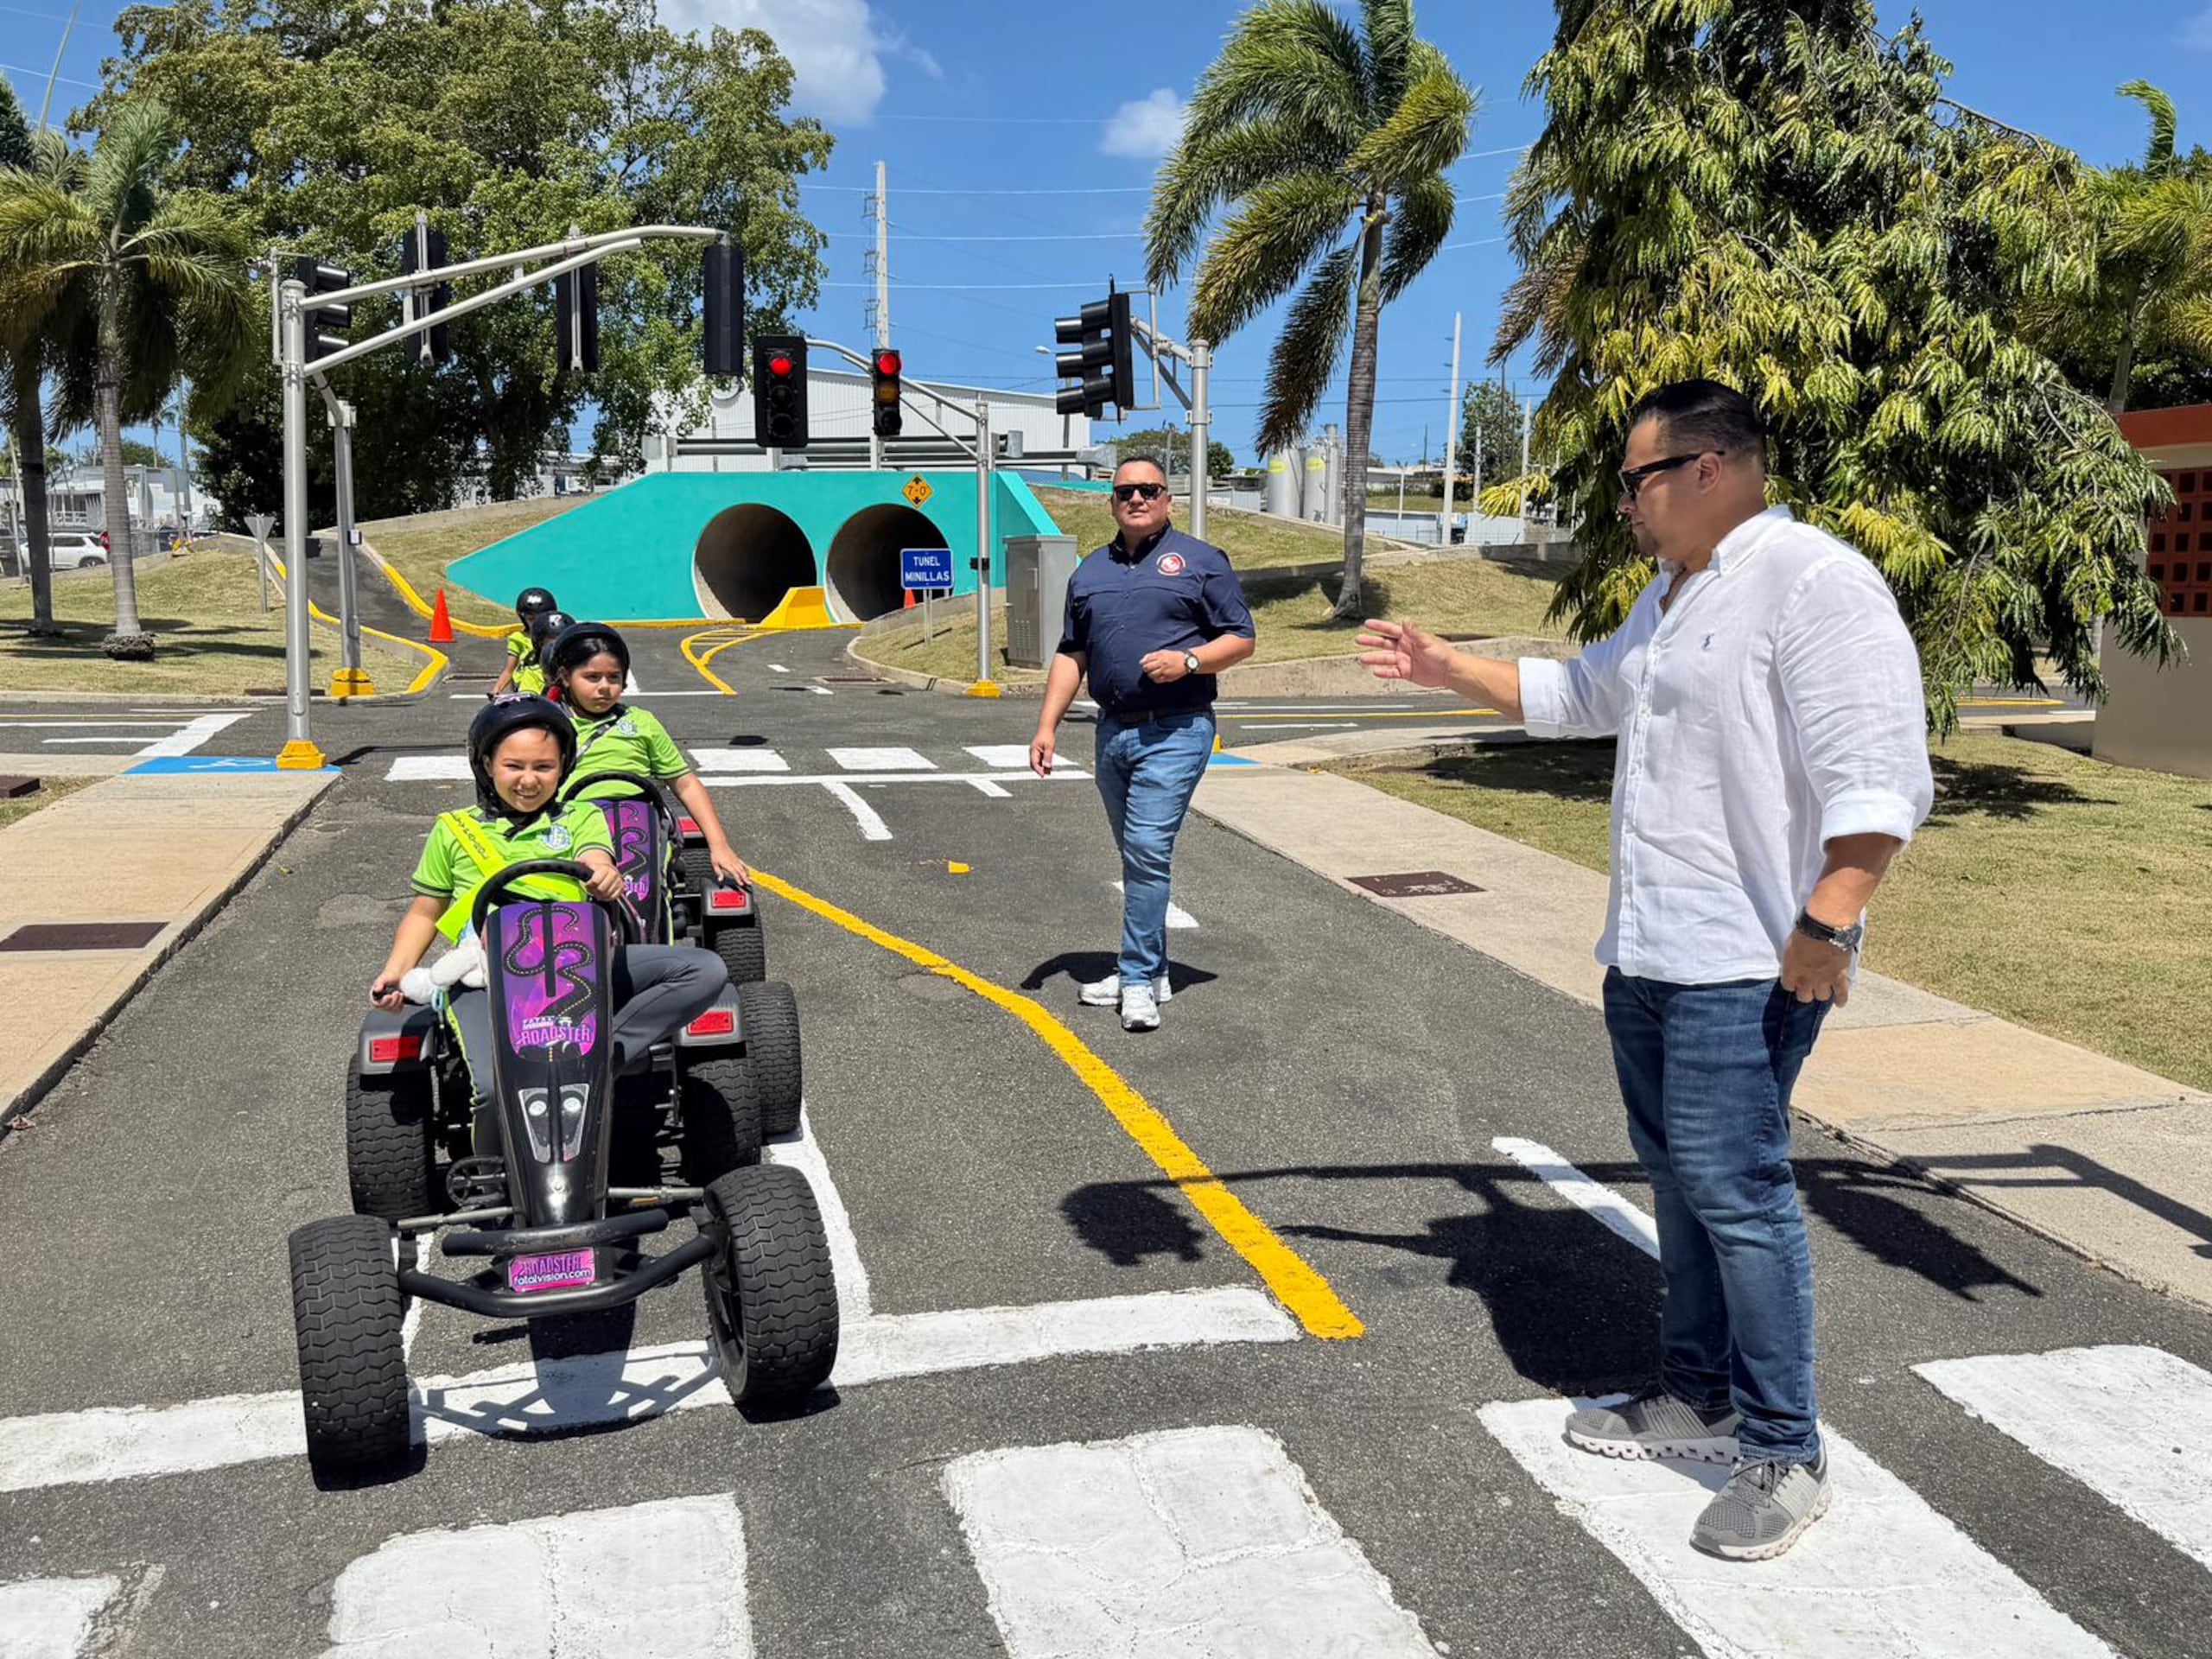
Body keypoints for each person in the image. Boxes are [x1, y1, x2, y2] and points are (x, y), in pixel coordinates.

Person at [1359, 380, 1933, 1561]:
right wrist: (1446, 666)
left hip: (1748, 958)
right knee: (1679, 1185)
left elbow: (1880, 771)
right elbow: (1584, 695)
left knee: (1738, 1192)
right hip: (1650, 950)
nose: (1624, 502)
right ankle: (1698, 1393)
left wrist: (1830, 922)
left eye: (1636, 480)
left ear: (1707, 469)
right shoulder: (1672, 595)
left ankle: (1784, 1449)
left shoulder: (1813, 582)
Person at [370, 696, 722, 1128]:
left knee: (704, 970)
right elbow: (425, 913)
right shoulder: (453, 829)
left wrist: (603, 873)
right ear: (487, 765)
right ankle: (499, 1167)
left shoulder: (581, 817)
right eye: (513, 766)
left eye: (543, 767)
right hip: (487, 976)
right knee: (494, 1089)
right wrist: (395, 972)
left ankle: (600, 1054)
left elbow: (596, 856)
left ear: (562, 767)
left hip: (578, 964)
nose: (528, 780)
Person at [1029, 455, 1255, 1032]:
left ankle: (1135, 980)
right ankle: (1151, 969)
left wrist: (1189, 661)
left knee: (1148, 849)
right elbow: (1072, 653)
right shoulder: (1089, 572)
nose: (1137, 498)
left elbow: (1241, 637)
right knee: (1137, 857)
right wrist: (1047, 726)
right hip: (1112, 731)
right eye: (1125, 491)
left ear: (1167, 500)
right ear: (1111, 502)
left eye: (1149, 490)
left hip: (1177, 729)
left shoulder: (1201, 562)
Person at [545, 620, 753, 891]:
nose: (605, 687)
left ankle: (652, 913)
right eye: (592, 677)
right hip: (569, 817)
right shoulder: (547, 724)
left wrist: (720, 846)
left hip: (636, 817)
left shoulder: (641, 723)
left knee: (642, 889)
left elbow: (685, 784)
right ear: (565, 677)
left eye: (614, 677)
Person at [490, 587, 560, 698]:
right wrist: (497, 690)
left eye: (540, 618)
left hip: (549, 685)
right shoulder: (518, 638)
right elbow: (509, 670)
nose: (536, 623)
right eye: (531, 619)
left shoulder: (555, 637)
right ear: (523, 618)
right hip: (527, 687)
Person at [513, 608, 572, 696]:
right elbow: (527, 700)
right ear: (539, 644)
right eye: (551, 644)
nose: (557, 648)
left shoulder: (578, 670)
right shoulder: (533, 674)